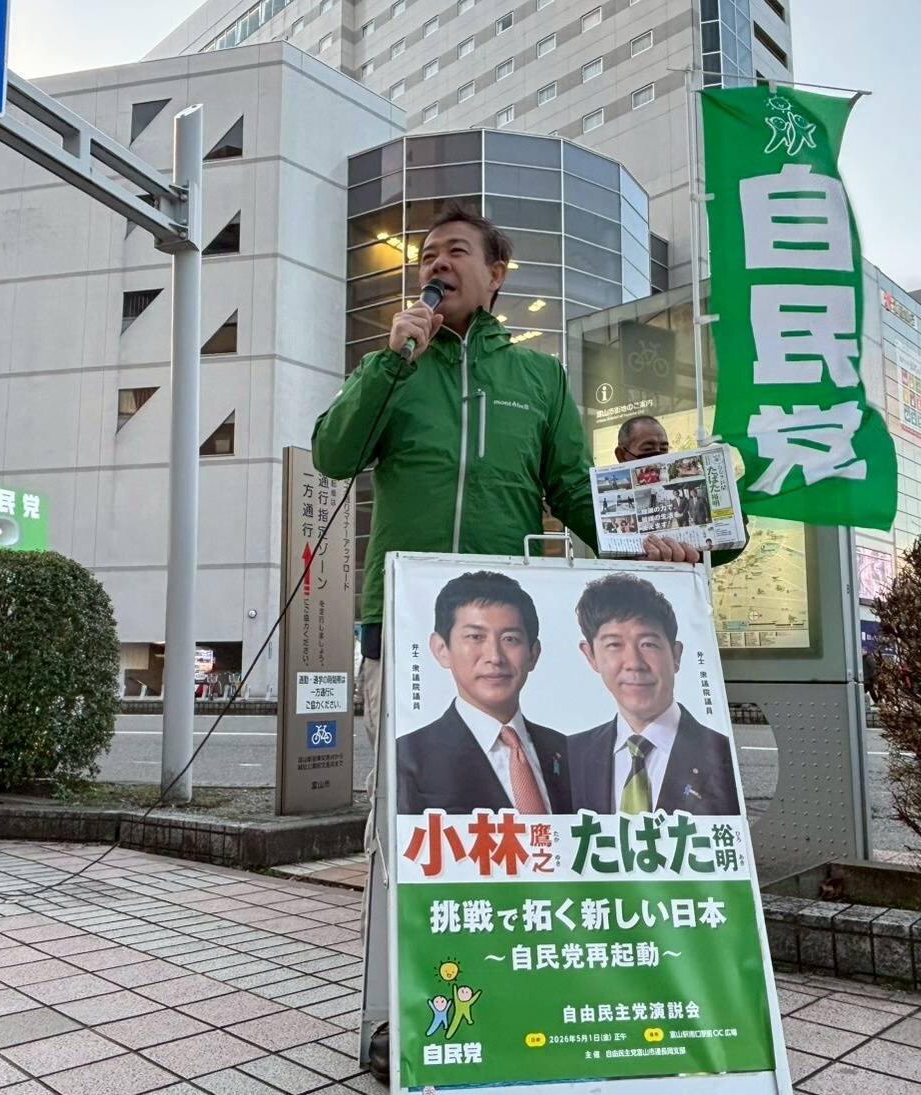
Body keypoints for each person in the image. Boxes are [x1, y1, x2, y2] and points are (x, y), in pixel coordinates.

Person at [312, 202, 698, 763]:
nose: (437, 264)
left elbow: (571, 489)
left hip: (505, 624)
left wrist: (645, 545)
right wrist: (390, 363)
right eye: (428, 256)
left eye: (456, 251)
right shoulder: (392, 367)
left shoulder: (539, 376)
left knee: (504, 780)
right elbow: (333, 456)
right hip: (402, 616)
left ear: (495, 275)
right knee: (403, 791)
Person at [397, 571, 570, 815]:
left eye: (510, 639)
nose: (495, 657)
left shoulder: (570, 752)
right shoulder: (408, 758)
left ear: (533, 653)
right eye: (475, 637)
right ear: (441, 649)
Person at [567, 572, 739, 815]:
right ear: (591, 656)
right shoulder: (569, 757)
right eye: (614, 645)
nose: (634, 663)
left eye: (648, 644)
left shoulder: (725, 757)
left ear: (676, 655)